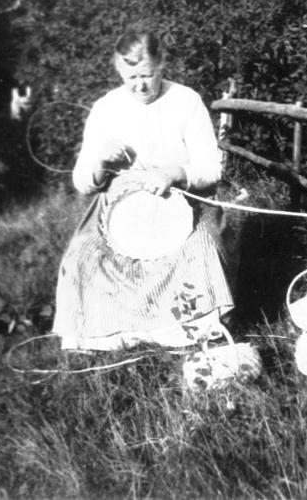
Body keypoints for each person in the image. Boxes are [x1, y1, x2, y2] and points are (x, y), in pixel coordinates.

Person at [53, 30, 233, 351]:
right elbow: (82, 181)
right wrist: (100, 161)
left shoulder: (186, 101)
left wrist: (176, 172)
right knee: (82, 256)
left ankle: (187, 328)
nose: (140, 86)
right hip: (118, 210)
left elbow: (212, 168)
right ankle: (114, 332)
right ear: (119, 70)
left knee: (202, 249)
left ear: (161, 64)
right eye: (132, 77)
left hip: (184, 200)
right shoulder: (106, 108)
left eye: (147, 75)